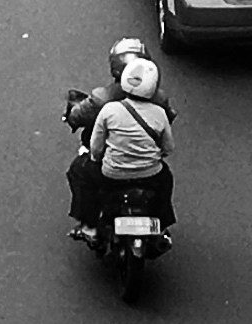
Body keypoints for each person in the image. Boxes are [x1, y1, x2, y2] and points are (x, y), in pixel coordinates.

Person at [63, 46, 175, 237]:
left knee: (78, 172)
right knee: (166, 180)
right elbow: (168, 147)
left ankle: (89, 225)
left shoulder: (109, 109)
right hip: (151, 174)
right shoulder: (159, 111)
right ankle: (162, 225)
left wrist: (96, 158)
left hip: (110, 173)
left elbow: (96, 148)